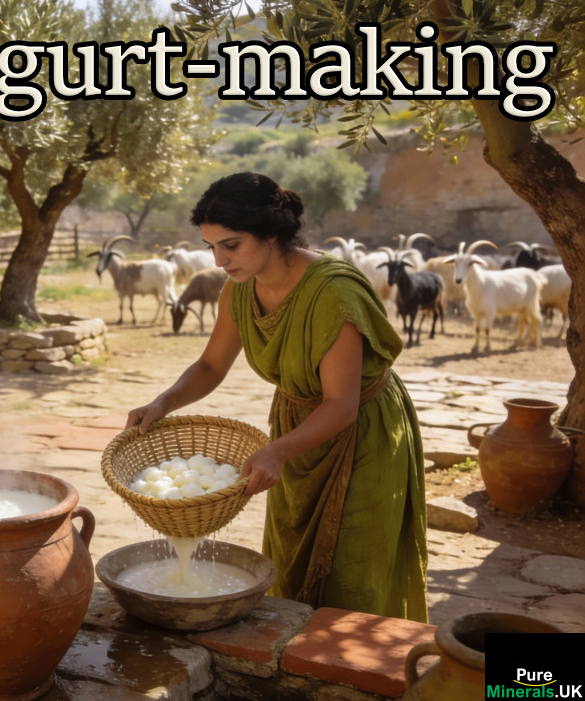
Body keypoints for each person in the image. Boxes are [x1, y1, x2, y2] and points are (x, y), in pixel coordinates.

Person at [126, 172, 428, 621]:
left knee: (354, 568)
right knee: (292, 553)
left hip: (361, 434)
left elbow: (340, 404)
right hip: (294, 430)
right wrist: (162, 403)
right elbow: (211, 366)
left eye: (230, 245)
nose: (219, 259)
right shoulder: (239, 289)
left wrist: (276, 453)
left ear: (271, 232)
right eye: (211, 247)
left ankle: (364, 673)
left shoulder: (334, 293)